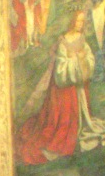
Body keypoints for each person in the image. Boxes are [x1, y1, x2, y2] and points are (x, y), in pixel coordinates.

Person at [17, 9, 105, 164]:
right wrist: (76, 61)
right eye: (78, 21)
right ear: (72, 21)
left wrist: (82, 60)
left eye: (82, 21)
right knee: (60, 125)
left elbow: (90, 61)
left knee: (80, 121)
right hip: (63, 90)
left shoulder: (83, 40)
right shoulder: (63, 42)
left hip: (79, 89)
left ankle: (76, 128)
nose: (80, 24)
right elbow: (60, 71)